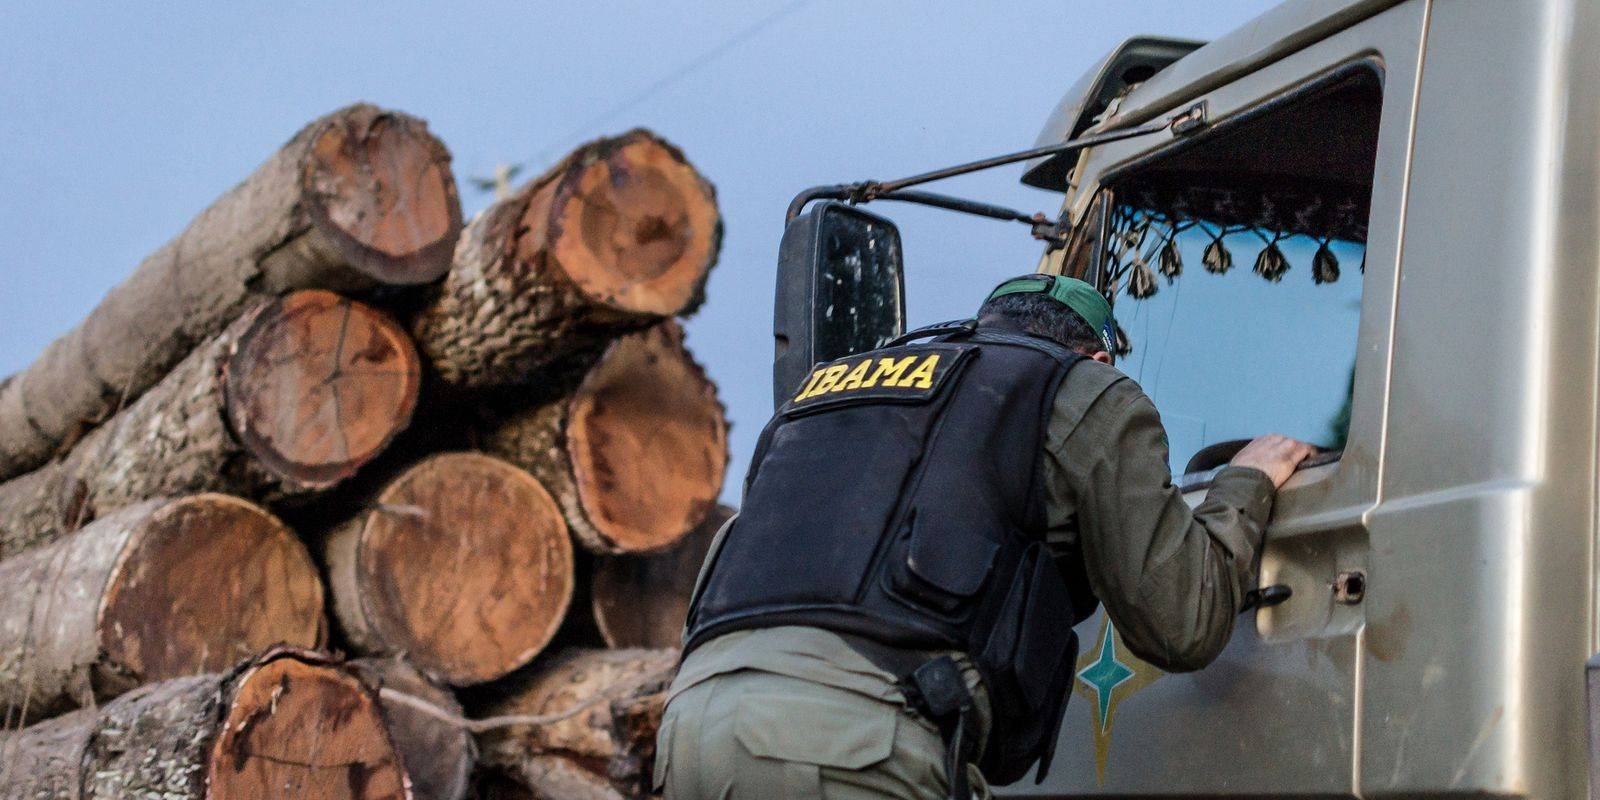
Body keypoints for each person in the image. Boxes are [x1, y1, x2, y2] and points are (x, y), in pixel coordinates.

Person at [655, 273, 1316, 800]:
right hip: (851, 745)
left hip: (688, 733)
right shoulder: (1082, 386)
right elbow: (1181, 622)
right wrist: (1245, 483)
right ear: (1101, 356)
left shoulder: (824, 395)